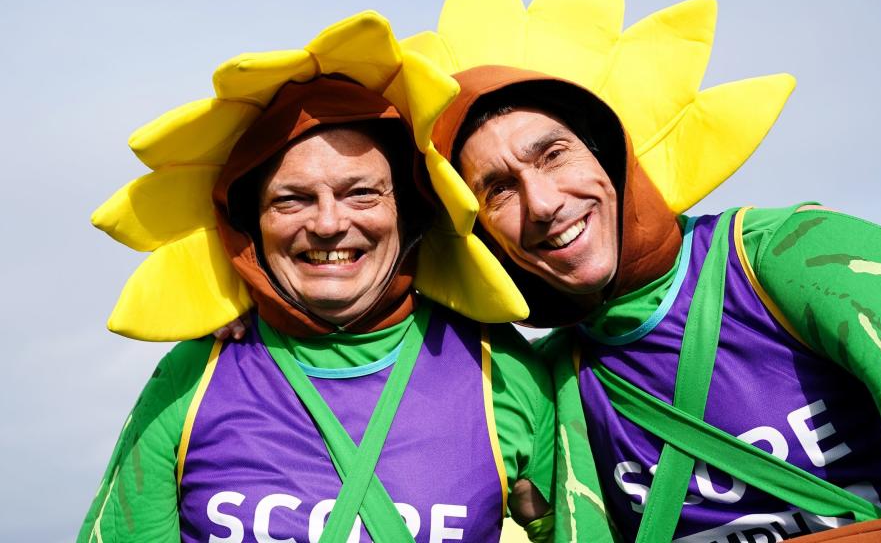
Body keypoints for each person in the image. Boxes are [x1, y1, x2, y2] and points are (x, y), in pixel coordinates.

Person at [429, 64, 881, 542]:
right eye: (498, 190)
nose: (542, 204)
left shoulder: (792, 254)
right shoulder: (551, 382)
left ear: (608, 153)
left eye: (553, 155)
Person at [78, 59, 555, 539]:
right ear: (251, 227)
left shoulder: (504, 373)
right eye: (292, 200)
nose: (328, 223)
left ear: (408, 214)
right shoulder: (193, 377)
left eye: (361, 193)